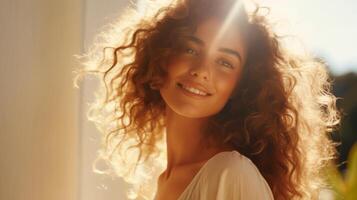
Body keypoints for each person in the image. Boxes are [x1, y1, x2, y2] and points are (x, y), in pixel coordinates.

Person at [74, 0, 340, 199]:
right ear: (160, 56)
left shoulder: (231, 174)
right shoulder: (162, 180)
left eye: (225, 62)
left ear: (241, 86)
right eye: (190, 48)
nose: (201, 70)